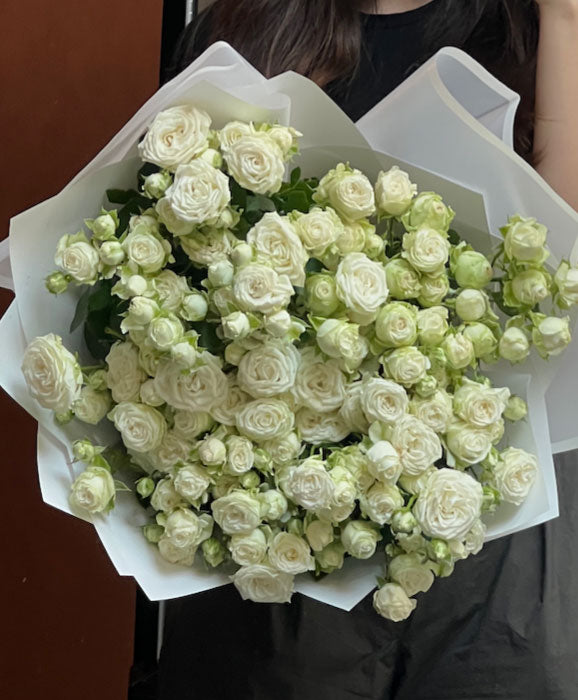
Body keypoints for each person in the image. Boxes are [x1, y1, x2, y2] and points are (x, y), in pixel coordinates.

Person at [158, 2, 578, 698]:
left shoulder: (526, 28)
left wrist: (565, 24)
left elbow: (564, 267)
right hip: (293, 510)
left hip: (490, 510)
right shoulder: (249, 25)